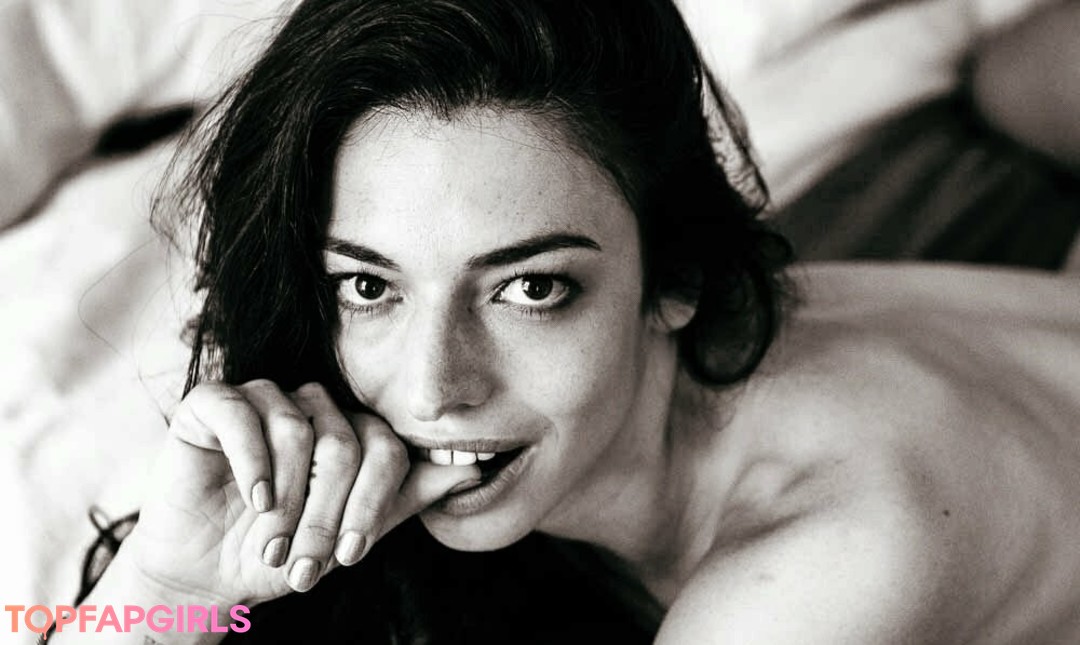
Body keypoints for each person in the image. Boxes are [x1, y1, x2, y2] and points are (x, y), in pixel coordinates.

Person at [54, 0, 1080, 643]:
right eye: (369, 287)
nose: (431, 389)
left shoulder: (802, 588)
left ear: (677, 277)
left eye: (531, 289)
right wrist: (166, 586)